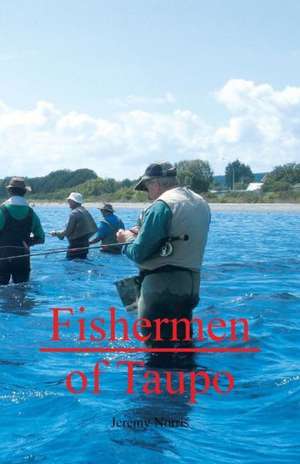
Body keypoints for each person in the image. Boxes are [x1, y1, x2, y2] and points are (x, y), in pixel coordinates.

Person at [117, 161, 211, 348]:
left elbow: (139, 253)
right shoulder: (200, 202)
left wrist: (125, 239)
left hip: (161, 291)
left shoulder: (161, 205)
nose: (148, 194)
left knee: (157, 353)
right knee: (183, 347)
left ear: (155, 184)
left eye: (147, 188)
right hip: (190, 288)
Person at [0, 177, 45, 285]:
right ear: (24, 192)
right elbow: (41, 238)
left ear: (10, 191)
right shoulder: (31, 213)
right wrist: (28, 242)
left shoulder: (2, 211)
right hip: (22, 257)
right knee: (22, 290)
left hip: (2, 258)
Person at [51, 192, 97, 260]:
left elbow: (67, 232)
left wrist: (55, 233)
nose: (68, 202)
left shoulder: (74, 213)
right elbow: (94, 229)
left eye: (69, 200)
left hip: (75, 246)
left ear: (74, 202)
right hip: (85, 246)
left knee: (71, 267)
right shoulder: (85, 211)